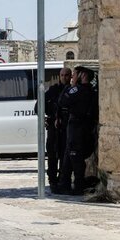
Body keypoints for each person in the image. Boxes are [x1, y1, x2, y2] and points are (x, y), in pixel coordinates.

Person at [56, 65, 98, 195]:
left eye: (74, 74)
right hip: (80, 126)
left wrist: (71, 86)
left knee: (75, 156)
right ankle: (64, 184)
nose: (72, 77)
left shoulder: (79, 90)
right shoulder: (91, 90)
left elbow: (62, 101)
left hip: (77, 127)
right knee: (69, 156)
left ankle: (78, 186)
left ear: (82, 76)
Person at [44, 67, 71, 190]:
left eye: (67, 75)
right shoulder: (53, 90)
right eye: (62, 75)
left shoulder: (72, 90)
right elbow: (40, 105)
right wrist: (52, 115)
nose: (64, 77)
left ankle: (63, 180)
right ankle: (53, 180)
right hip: (54, 129)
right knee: (52, 154)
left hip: (67, 128)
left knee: (65, 155)